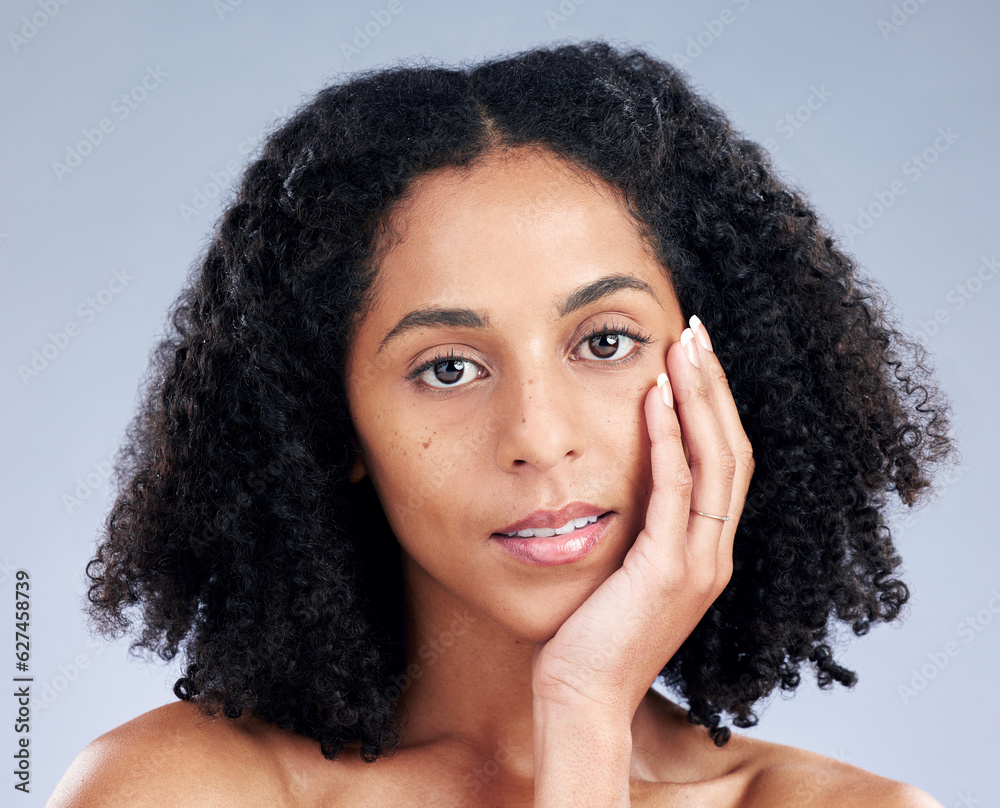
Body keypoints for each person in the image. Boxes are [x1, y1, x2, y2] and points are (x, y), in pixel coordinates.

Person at [47, 41, 955, 806]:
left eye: (604, 341)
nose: (538, 434)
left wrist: (585, 711)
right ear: (333, 429)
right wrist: (587, 720)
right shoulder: (172, 789)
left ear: (718, 371)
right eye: (448, 368)